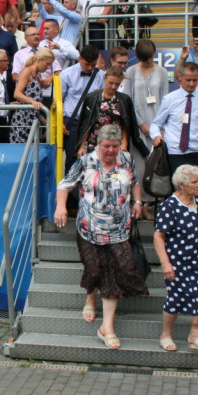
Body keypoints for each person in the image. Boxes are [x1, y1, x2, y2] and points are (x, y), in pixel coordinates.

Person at [53, 124, 147, 350]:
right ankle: (90, 298)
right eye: (107, 146)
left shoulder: (125, 159)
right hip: (90, 227)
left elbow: (134, 181)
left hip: (118, 229)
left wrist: (138, 202)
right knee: (94, 268)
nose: (111, 151)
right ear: (98, 145)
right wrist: (61, 207)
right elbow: (65, 185)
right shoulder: (86, 161)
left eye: (115, 146)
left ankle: (107, 327)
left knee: (117, 272)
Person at [154, 163, 198, 352]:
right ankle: (166, 334)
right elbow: (159, 236)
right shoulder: (169, 206)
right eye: (195, 182)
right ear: (182, 184)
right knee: (176, 298)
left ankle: (194, 335)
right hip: (177, 260)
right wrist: (165, 263)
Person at [149, 61, 198, 176]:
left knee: (195, 188)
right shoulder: (170, 99)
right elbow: (156, 123)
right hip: (174, 152)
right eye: (188, 80)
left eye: (195, 80)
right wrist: (156, 136)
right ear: (180, 78)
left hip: (196, 152)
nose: (191, 84)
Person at [122, 38, 169, 152]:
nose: (149, 61)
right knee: (140, 165)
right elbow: (127, 100)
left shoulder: (162, 71)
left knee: (157, 164)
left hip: (158, 123)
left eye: (151, 57)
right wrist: (141, 125)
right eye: (145, 58)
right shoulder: (131, 71)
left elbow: (165, 101)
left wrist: (160, 127)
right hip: (138, 124)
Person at [10, 48, 53, 143]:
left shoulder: (36, 75)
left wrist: (44, 120)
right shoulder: (27, 72)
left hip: (33, 118)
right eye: (48, 63)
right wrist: (33, 102)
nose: (49, 67)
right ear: (40, 60)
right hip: (23, 119)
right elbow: (17, 94)